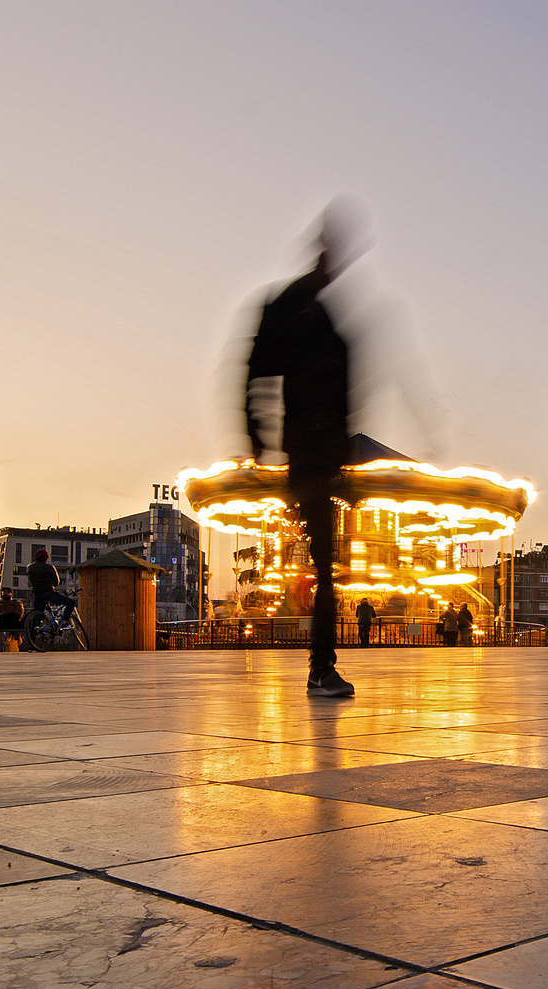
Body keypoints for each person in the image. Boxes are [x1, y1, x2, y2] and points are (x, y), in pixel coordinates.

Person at [245, 204, 363, 697]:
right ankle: (320, 668)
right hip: (307, 453)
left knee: (325, 566)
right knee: (322, 567)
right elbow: (257, 375)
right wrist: (260, 440)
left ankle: (321, 666)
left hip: (321, 454)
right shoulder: (296, 309)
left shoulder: (327, 321)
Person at [25, 549, 76, 625]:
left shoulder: (29, 567)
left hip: (37, 595)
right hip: (49, 593)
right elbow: (56, 582)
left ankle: (32, 634)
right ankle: (64, 621)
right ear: (46, 558)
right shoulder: (49, 567)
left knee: (37, 615)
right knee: (71, 602)